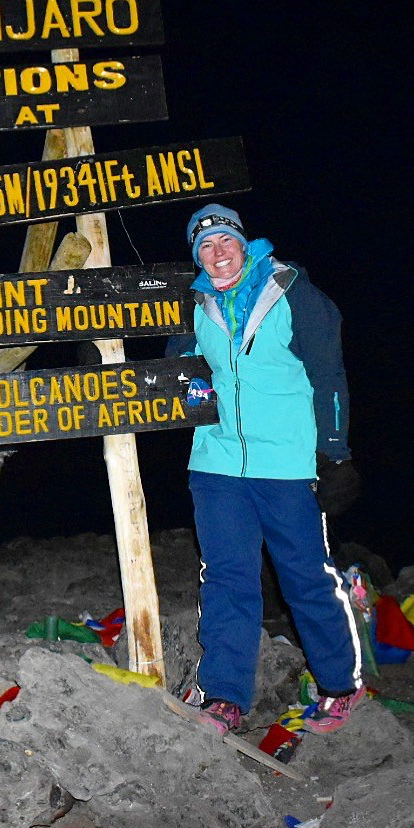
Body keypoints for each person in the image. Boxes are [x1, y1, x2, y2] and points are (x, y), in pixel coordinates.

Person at [165, 203, 365, 736]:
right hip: (217, 464)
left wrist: (336, 453)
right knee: (226, 578)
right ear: (197, 257)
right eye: (205, 246)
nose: (217, 253)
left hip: (287, 464)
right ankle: (224, 696)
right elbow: (180, 376)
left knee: (306, 576)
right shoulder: (195, 303)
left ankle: (340, 685)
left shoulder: (289, 290)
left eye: (224, 240)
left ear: (243, 242)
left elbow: (329, 374)